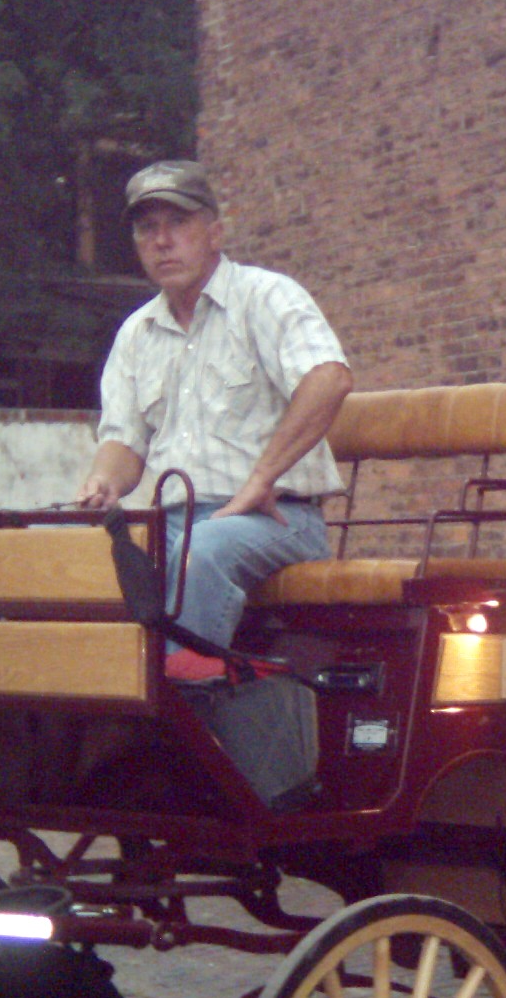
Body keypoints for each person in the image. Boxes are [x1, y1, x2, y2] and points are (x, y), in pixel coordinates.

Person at [78, 160, 353, 655]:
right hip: (174, 523)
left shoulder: (266, 296)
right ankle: (86, 712)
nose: (163, 241)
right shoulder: (136, 333)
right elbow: (122, 440)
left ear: (215, 232)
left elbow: (329, 379)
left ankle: (179, 709)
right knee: (76, 564)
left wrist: (261, 478)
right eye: (147, 228)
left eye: (178, 223)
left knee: (199, 553)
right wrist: (103, 483)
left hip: (278, 520)